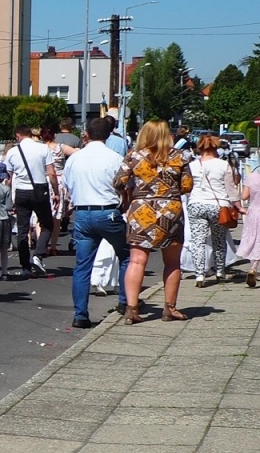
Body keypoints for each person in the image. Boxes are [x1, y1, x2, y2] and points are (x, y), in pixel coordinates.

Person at [115, 120, 194, 324]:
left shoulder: (134, 156)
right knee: (172, 262)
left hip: (141, 211)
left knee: (137, 261)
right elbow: (187, 186)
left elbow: (118, 182)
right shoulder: (179, 156)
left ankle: (131, 309)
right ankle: (170, 309)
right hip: (170, 212)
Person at [62, 116, 131, 328]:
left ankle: (80, 314)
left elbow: (68, 186)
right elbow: (125, 187)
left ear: (87, 134)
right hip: (108, 211)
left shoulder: (74, 159)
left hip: (83, 213)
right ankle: (125, 301)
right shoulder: (115, 158)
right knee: (127, 255)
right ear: (109, 135)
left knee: (82, 266)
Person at [186, 133, 241, 288]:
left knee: (198, 241)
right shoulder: (224, 165)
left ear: (200, 148)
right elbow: (230, 189)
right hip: (219, 206)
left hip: (196, 204)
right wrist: (238, 206)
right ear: (215, 147)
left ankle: (199, 275)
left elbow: (187, 186)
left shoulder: (192, 165)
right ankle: (219, 271)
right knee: (219, 240)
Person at [4, 126, 58, 277]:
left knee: (22, 229)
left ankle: (25, 266)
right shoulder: (43, 149)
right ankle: (38, 254)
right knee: (47, 224)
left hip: (21, 191)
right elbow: (51, 173)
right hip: (40, 189)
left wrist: (7, 196)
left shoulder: (12, 152)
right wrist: (57, 192)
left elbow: (8, 178)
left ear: (18, 136)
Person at [238, 161, 260, 288]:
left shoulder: (252, 177)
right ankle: (253, 268)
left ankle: (253, 268)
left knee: (254, 239)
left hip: (254, 212)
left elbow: (244, 196)